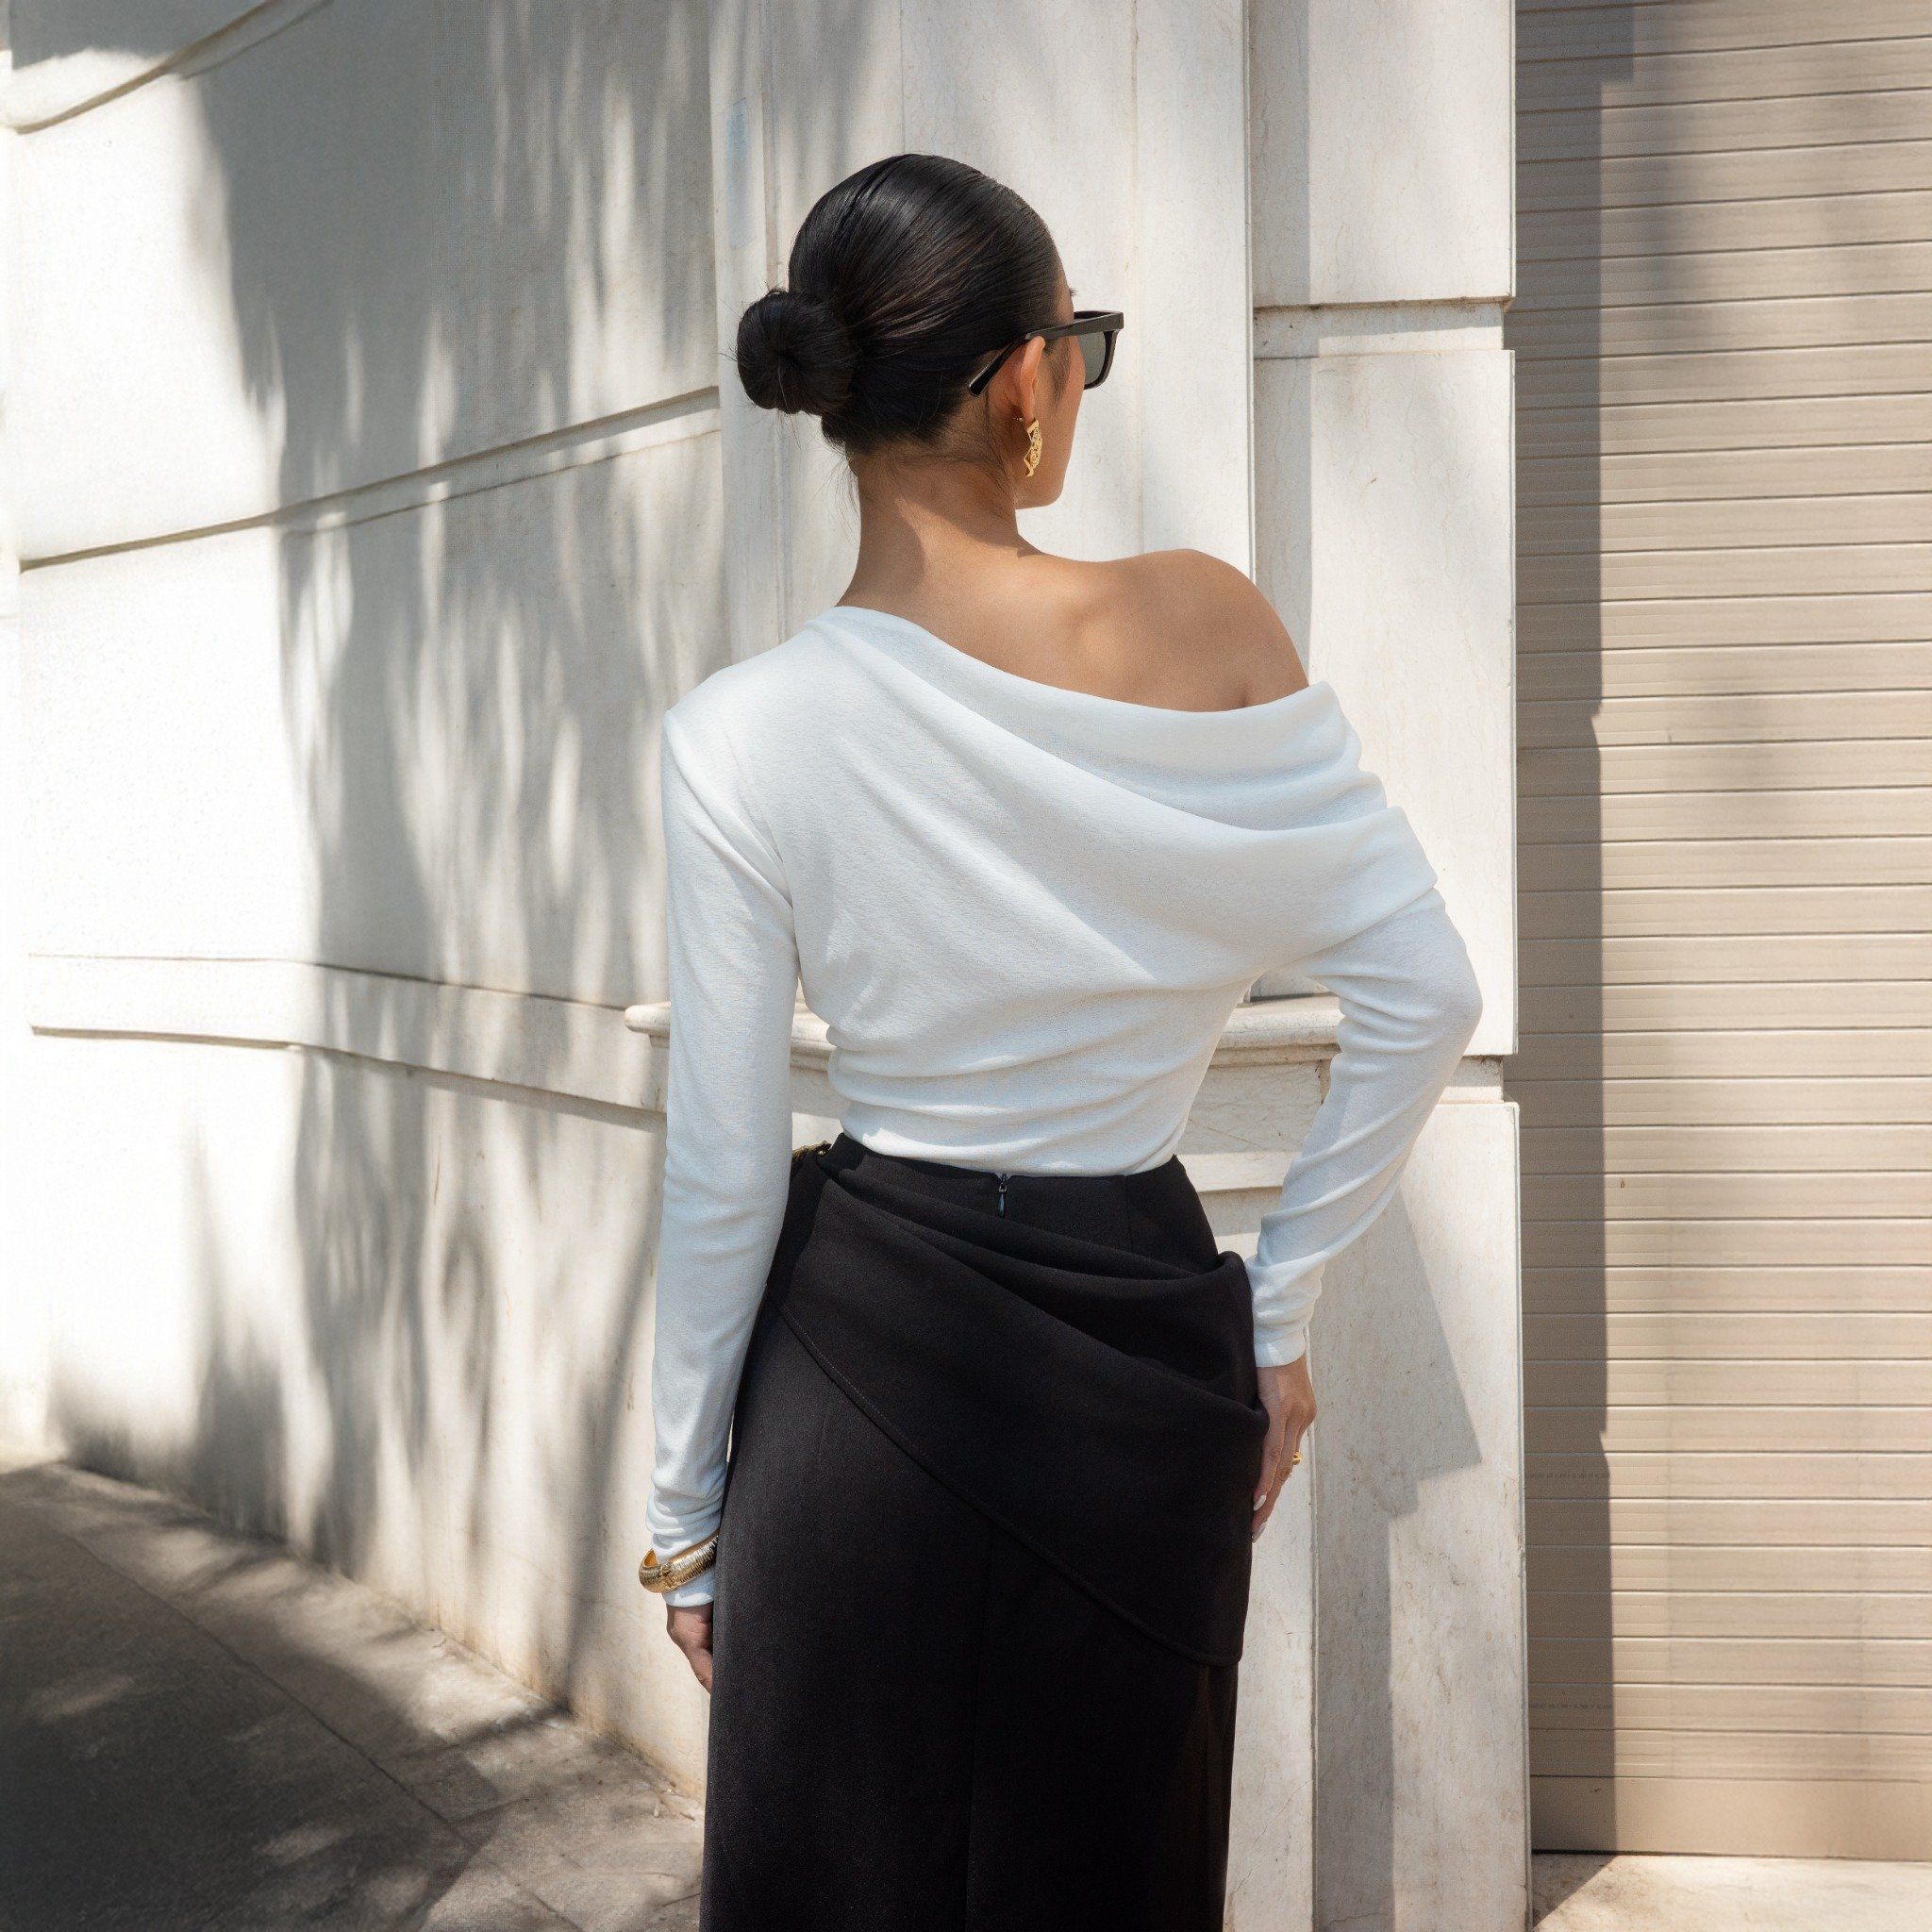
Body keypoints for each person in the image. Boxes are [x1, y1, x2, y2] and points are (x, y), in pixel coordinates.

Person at [640, 152, 1482, 1932]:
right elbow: (1427, 994)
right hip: (1138, 1345)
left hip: (855, 1364)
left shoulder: (738, 734)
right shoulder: (1207, 624)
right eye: (1080, 344)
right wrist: (1275, 1311)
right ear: (1026, 379)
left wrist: (686, 1515)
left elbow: (720, 1166)